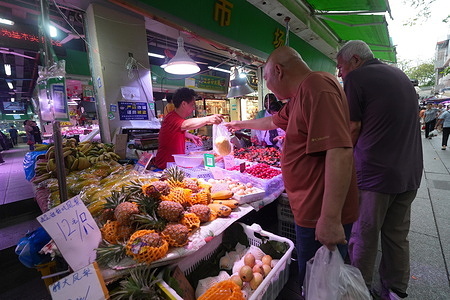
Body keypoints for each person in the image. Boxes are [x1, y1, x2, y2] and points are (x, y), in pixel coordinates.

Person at [225, 46, 359, 293]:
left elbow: (339, 150)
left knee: (322, 285)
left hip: (319, 211)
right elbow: (273, 121)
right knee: (314, 280)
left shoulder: (317, 87)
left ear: (278, 70)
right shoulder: (299, 96)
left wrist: (330, 219)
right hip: (308, 207)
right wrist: (239, 124)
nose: (268, 85)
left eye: (266, 78)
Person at [337, 40, 423, 299]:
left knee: (365, 234)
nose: (340, 73)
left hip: (376, 175)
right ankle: (395, 291)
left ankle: (357, 291)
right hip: (409, 172)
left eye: (340, 66)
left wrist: (338, 160)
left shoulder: (358, 78)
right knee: (396, 236)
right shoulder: (399, 74)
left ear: (355, 60)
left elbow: (352, 128)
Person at [154, 87, 223, 169]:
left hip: (175, 166)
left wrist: (187, 135)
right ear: (183, 104)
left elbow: (174, 130)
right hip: (165, 167)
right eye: (192, 105)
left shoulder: (173, 117)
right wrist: (208, 119)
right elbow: (186, 125)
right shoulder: (172, 118)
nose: (193, 108)